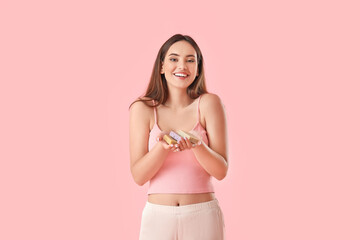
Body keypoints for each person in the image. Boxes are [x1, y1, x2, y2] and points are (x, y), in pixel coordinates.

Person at [129, 33, 228, 240]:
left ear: (198, 68)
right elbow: (139, 176)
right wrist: (161, 148)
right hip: (158, 217)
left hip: (202, 215)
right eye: (174, 59)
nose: (182, 66)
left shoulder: (210, 104)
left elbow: (220, 171)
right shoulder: (143, 108)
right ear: (162, 67)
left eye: (190, 60)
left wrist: (197, 145)